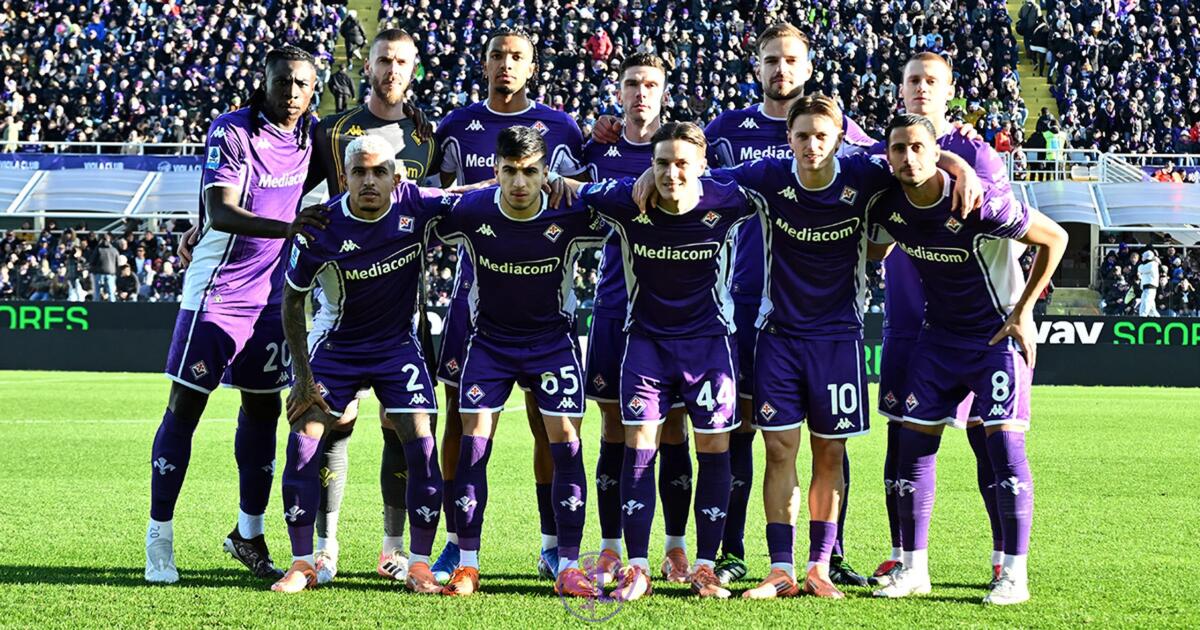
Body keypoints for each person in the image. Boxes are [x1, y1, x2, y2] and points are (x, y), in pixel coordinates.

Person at [868, 113, 1067, 605]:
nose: (908, 157)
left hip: (995, 339)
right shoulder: (889, 204)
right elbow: (873, 250)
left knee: (1003, 452)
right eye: (899, 149)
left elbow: (1056, 238)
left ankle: (1013, 575)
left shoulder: (981, 204)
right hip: (937, 341)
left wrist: (1023, 311)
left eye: (919, 147)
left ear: (937, 152)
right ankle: (914, 570)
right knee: (911, 453)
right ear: (888, 155)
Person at [705, 95, 897, 600]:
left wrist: (956, 164)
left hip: (838, 339)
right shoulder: (766, 176)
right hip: (779, 338)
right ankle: (780, 567)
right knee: (779, 451)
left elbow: (916, 156)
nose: (811, 145)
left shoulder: (865, 176)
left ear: (840, 139)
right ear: (787, 138)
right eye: (802, 135)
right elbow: (699, 181)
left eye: (821, 136)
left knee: (829, 453)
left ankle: (820, 567)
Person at [144, 45, 322, 585]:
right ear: (264, 81)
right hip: (218, 289)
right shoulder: (233, 130)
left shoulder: (312, 134)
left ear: (313, 90)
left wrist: (408, 113)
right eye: (283, 81)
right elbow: (220, 211)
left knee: (264, 410)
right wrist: (290, 227)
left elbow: (366, 132)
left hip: (272, 295)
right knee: (186, 406)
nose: (292, 92)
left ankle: (247, 534)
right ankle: (159, 538)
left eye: (302, 84)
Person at [568, 122, 764, 601]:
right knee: (638, 444)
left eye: (681, 163)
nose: (671, 173)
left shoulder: (730, 198)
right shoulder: (624, 202)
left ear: (702, 166)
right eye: (661, 163)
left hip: (710, 347)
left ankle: (704, 566)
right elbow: (563, 186)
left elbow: (791, 173)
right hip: (646, 348)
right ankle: (637, 567)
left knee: (714, 448)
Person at [431, 25, 587, 582]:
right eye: (497, 54)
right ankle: (457, 544)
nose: (506, 64)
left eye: (517, 56)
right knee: (462, 420)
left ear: (532, 66)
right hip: (476, 307)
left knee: (552, 426)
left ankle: (553, 545)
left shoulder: (562, 128)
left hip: (545, 309)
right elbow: (431, 200)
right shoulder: (455, 126)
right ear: (484, 61)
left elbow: (589, 192)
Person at [275, 136, 450, 594]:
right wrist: (302, 378)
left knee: (421, 441)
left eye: (378, 172)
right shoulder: (322, 227)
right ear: (345, 176)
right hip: (339, 345)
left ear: (397, 176)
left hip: (397, 345)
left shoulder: (416, 207)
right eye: (359, 172)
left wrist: (548, 182)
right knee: (306, 438)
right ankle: (305, 560)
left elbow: (473, 196)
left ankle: (416, 562)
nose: (369, 181)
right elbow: (292, 302)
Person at [871, 52, 1013, 588]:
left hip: (973, 325)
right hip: (907, 323)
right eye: (913, 80)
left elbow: (1007, 232)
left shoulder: (978, 153)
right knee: (904, 442)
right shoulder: (888, 150)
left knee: (988, 440)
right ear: (901, 88)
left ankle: (1003, 558)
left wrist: (955, 163)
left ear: (950, 89)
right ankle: (901, 556)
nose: (922, 88)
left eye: (932, 81)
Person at [307, 27, 443, 586]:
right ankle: (325, 546)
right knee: (333, 424)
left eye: (402, 62)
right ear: (368, 66)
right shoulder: (332, 131)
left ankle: (392, 548)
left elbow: (444, 203)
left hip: (400, 306)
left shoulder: (428, 135)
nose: (392, 69)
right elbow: (293, 195)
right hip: (339, 300)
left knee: (399, 427)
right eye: (384, 60)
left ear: (415, 70)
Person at [581, 53, 695, 585]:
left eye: (651, 84)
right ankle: (608, 547)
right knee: (612, 428)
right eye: (632, 84)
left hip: (675, 315)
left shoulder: (687, 152)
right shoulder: (597, 149)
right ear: (618, 91)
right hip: (612, 307)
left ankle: (674, 547)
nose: (641, 92)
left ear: (664, 91)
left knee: (672, 428)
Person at [90, 233, 118, 302]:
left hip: (99, 273)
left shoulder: (98, 249)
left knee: (97, 292)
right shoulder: (114, 250)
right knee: (111, 292)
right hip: (111, 273)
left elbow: (92, 261)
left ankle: (96, 308)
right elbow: (118, 263)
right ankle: (113, 308)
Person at [1137, 250, 1160, 317]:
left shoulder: (1152, 264)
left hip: (1149, 289)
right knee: (1152, 310)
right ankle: (1160, 321)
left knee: (1144, 306)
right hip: (1147, 289)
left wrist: (1140, 265)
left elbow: (1141, 269)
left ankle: (1141, 320)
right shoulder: (1150, 265)